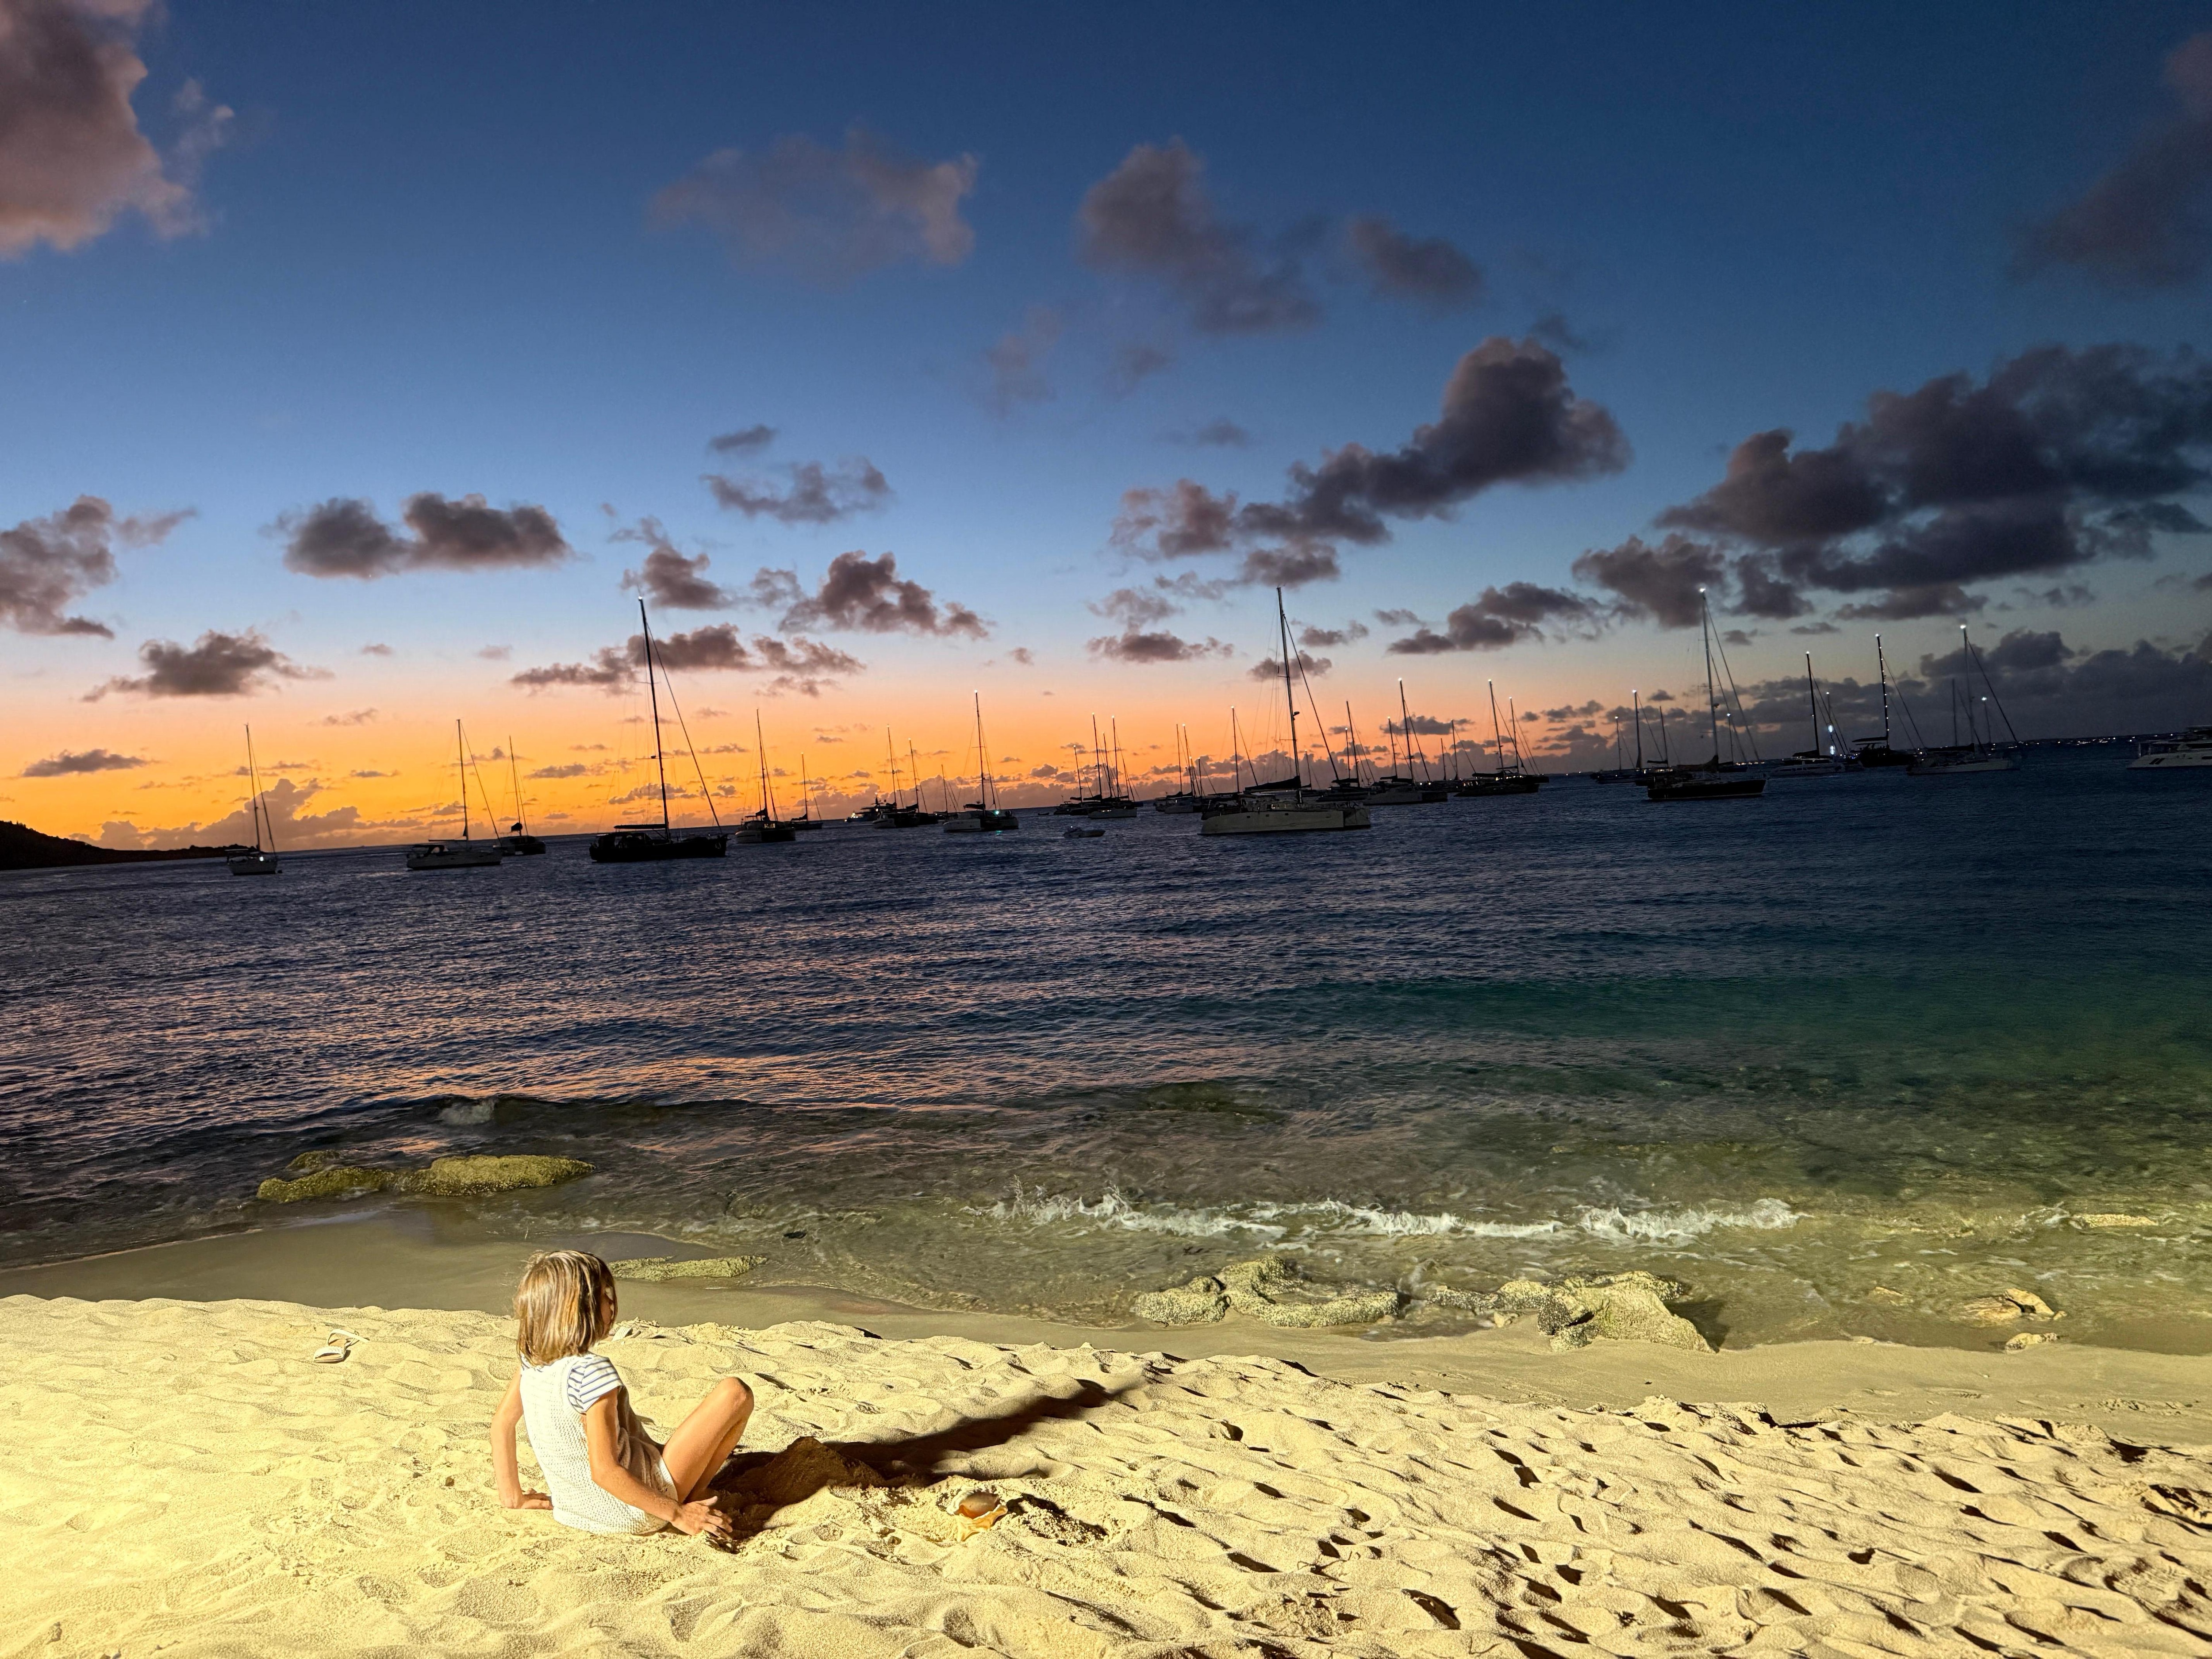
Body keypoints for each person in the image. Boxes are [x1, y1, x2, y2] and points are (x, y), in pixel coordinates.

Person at [489, 1249, 752, 1540]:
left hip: (575, 1510)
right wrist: (677, 1514)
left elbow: (502, 1424)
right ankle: (694, 1494)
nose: (612, 1304)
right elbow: (605, 1472)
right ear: (582, 1308)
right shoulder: (591, 1372)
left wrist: (513, 1498)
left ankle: (684, 1489)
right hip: (635, 1509)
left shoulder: (532, 1362)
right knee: (736, 1393)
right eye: (605, 1296)